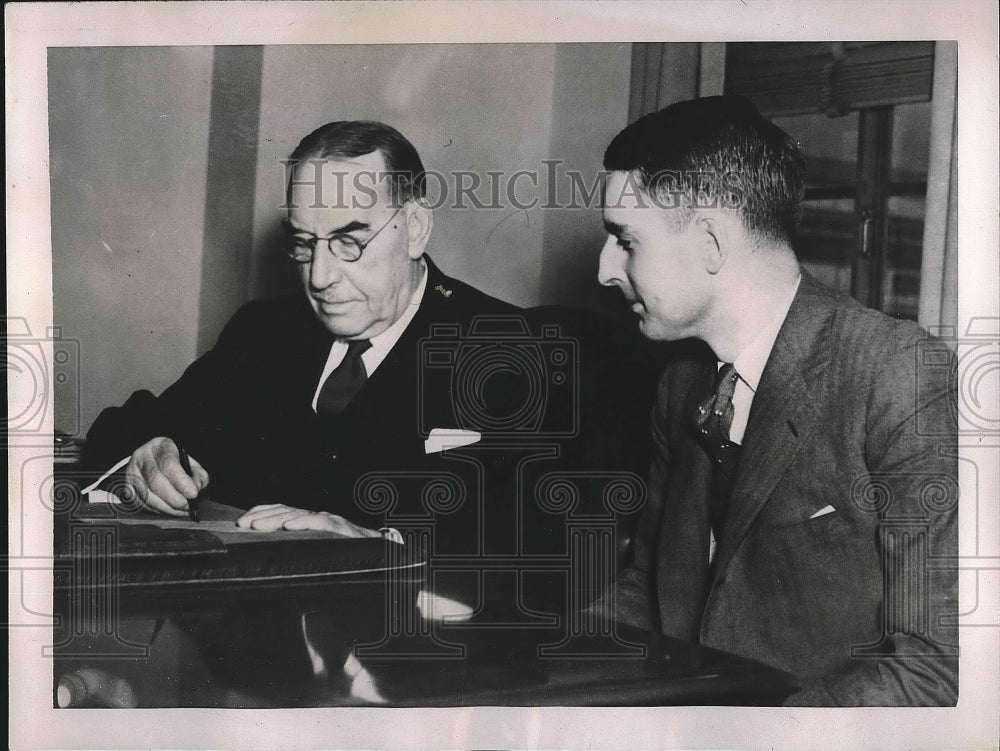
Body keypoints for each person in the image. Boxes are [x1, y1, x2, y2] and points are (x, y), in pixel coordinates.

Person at [592, 95, 958, 705]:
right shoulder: (679, 385)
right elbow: (649, 587)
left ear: (710, 242)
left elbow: (935, 670)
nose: (606, 270)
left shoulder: (898, 376)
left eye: (625, 241)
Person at [82, 120, 526, 542]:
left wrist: (379, 543)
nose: (319, 277)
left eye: (349, 241)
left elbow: (540, 541)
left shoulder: (507, 348)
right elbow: (128, 432)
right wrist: (147, 463)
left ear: (414, 227)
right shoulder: (264, 331)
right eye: (304, 244)